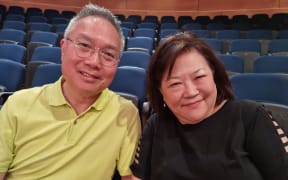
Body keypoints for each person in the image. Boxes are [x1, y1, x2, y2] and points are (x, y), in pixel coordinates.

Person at [0, 3, 141, 180]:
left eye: (108, 54)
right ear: (63, 47)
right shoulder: (17, 104)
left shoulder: (125, 114)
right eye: (84, 45)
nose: (94, 61)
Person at [130, 32, 288, 180]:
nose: (191, 92)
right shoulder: (156, 124)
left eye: (199, 77)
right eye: (175, 84)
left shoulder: (251, 117)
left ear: (214, 74)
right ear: (160, 90)